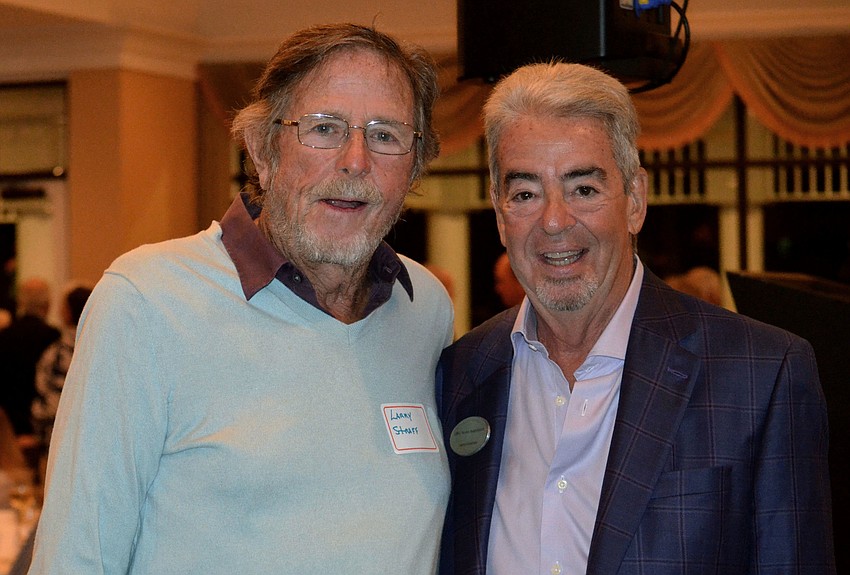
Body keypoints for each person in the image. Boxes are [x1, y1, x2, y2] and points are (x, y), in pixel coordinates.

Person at [31, 23, 454, 575]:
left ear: (416, 165)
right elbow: (76, 558)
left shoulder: (424, 308)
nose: (355, 160)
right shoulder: (148, 302)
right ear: (260, 148)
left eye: (385, 134)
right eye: (324, 128)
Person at [437, 62, 835, 574]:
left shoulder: (761, 373)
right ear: (499, 215)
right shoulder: (462, 372)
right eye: (526, 194)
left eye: (584, 189)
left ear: (636, 202)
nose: (554, 221)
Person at [31, 283, 93, 449]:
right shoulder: (101, 348)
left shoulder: (58, 353)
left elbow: (44, 388)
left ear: (68, 312)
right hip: (92, 431)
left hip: (59, 432)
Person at [0, 277, 60, 436]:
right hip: (43, 422)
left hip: (9, 423)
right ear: (47, 305)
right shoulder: (54, 338)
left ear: (21, 303)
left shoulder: (4, 336)